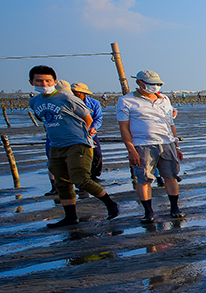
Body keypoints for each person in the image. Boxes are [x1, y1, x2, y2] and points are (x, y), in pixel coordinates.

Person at [28, 67, 119, 225]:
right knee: (61, 182)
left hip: (77, 143)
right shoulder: (34, 101)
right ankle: (70, 217)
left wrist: (84, 134)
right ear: (32, 82)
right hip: (56, 145)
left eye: (48, 81)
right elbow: (44, 120)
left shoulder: (67, 98)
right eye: (39, 81)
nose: (44, 83)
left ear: (55, 82)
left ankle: (111, 204)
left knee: (81, 180)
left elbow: (88, 119)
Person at [116, 69, 182, 223]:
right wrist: (131, 150)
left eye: (157, 84)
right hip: (142, 145)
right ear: (139, 83)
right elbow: (124, 128)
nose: (155, 86)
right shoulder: (126, 100)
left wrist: (177, 146)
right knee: (144, 179)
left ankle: (174, 208)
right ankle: (149, 212)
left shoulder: (164, 99)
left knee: (171, 176)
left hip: (167, 143)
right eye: (151, 84)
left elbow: (170, 124)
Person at [69, 82, 105, 183]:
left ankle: (94, 175)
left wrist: (93, 128)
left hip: (90, 133)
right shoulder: (69, 103)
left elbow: (98, 119)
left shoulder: (94, 104)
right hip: (74, 133)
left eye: (77, 93)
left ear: (83, 93)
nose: (75, 95)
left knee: (97, 154)